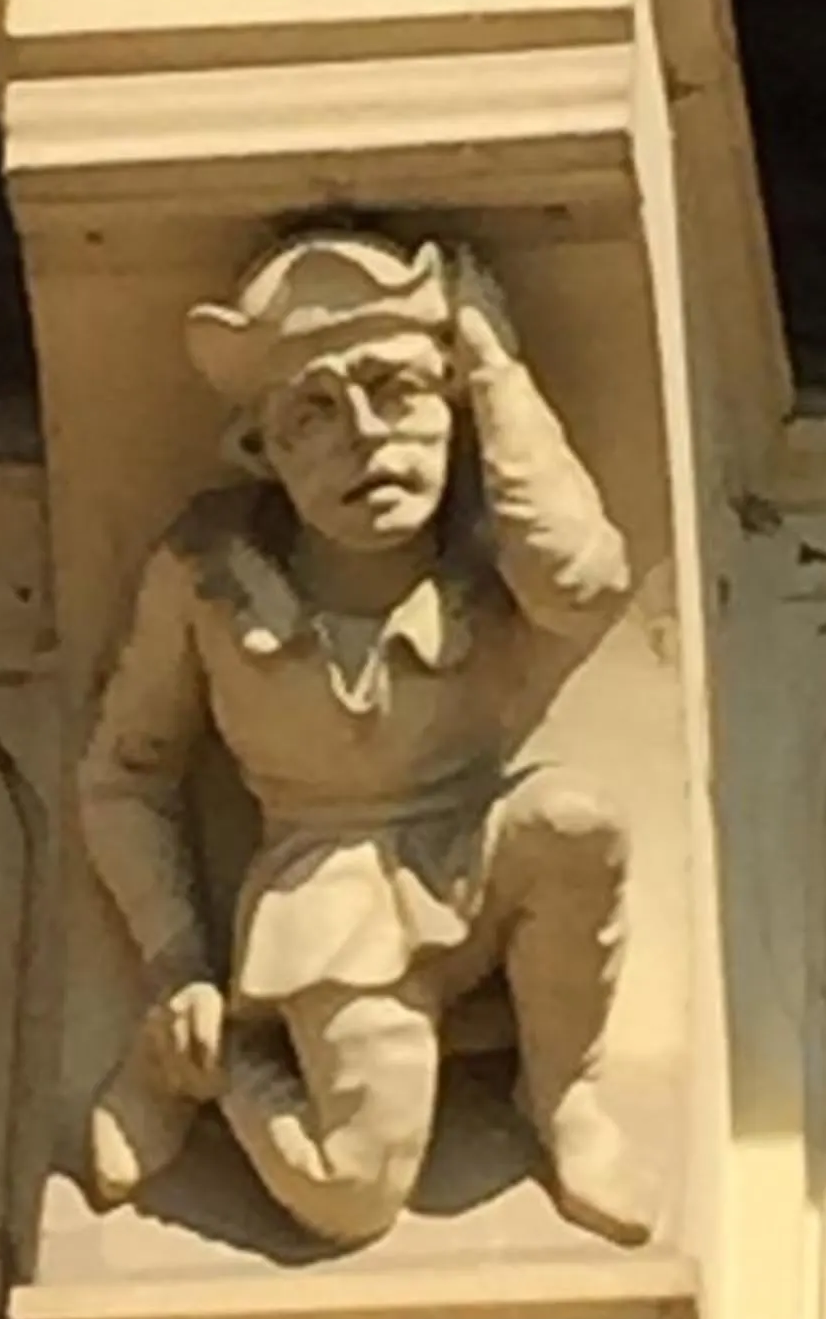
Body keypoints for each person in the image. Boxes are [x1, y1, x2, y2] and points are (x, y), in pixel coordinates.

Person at [79, 226, 640, 1248]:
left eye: (399, 392)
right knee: (352, 1195)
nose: (370, 440)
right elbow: (127, 775)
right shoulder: (209, 575)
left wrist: (494, 366)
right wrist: (177, 968)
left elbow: (584, 580)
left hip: (471, 854)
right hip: (325, 883)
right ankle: (209, 1066)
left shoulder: (488, 558)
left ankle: (563, 1093)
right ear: (264, 450)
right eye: (314, 414)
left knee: (574, 821)